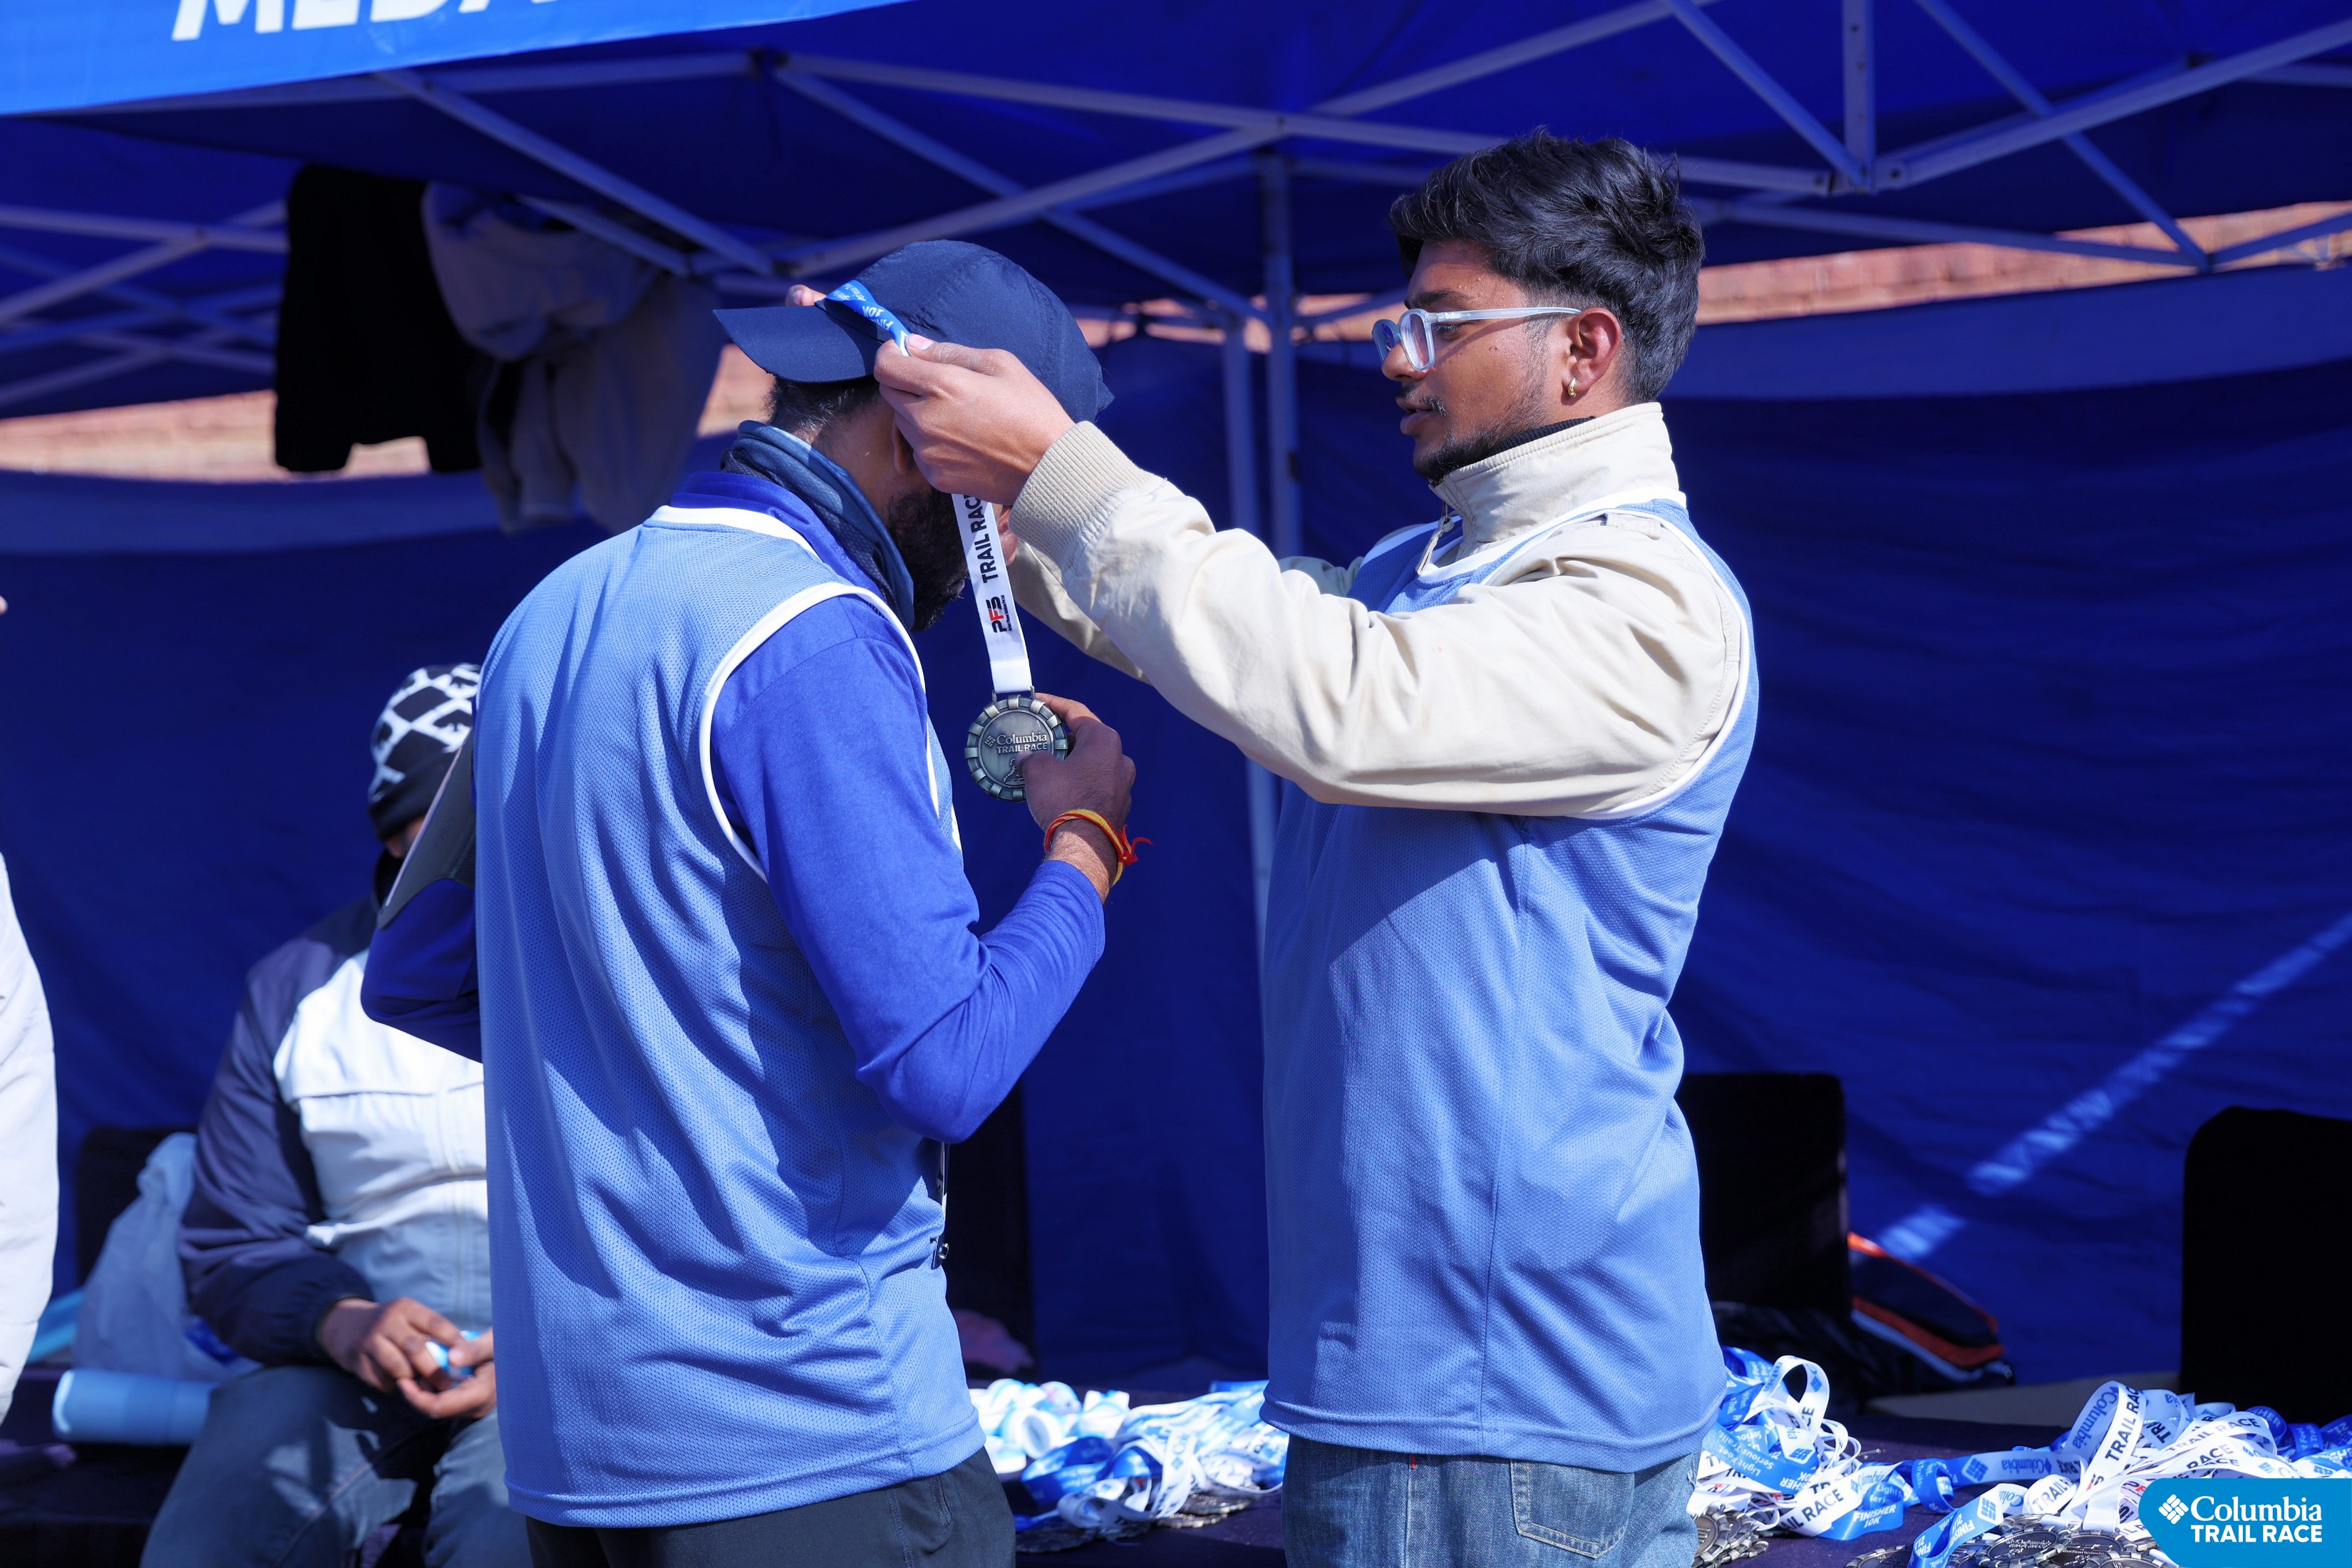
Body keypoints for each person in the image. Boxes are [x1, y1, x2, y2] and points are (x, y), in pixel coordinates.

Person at [876, 135, 1751, 1568]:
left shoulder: (1642, 598)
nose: (1398, 358)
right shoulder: (1435, 569)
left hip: (1495, 1397)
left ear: (1586, 349)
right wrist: (1006, 512)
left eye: (1440, 323)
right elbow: (1249, 629)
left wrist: (1060, 472)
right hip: (1440, 1382)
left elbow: (1333, 694)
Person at [362, 241, 1138, 1567]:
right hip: (810, 1435)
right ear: (922, 430)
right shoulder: (817, 632)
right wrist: (1088, 844)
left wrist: (666, 1067)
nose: (1010, 541)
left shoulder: (555, 609)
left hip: (580, 1453)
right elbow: (948, 1064)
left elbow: (417, 974)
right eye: (1013, 486)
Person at [146, 666, 529, 1568]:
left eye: (496, 821)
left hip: (567, 1359)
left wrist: (551, 1348)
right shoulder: (298, 986)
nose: (471, 850)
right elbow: (234, 1243)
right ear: (393, 837)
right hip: (347, 1363)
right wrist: (341, 1320)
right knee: (212, 1540)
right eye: (435, 827)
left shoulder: (619, 963)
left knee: (512, 1540)